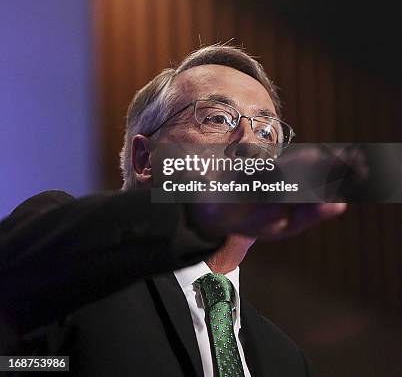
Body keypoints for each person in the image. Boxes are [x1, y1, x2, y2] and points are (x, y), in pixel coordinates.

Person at [0, 44, 346, 376]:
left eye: (266, 132)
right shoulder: (76, 266)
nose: (249, 143)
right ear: (146, 160)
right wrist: (197, 214)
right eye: (217, 118)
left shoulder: (289, 362)